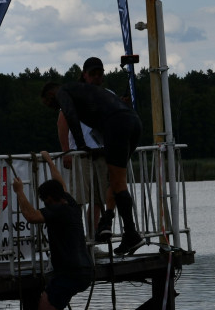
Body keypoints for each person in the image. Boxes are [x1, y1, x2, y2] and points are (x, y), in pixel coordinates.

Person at [12, 151, 95, 310]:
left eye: (44, 201)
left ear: (49, 200)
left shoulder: (57, 211)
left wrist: (19, 192)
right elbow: (60, 183)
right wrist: (49, 161)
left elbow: (30, 216)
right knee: (54, 289)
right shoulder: (70, 203)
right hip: (85, 271)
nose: (44, 204)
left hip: (70, 273)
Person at [41, 80, 144, 256]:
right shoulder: (85, 90)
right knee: (116, 180)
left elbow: (71, 115)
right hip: (133, 122)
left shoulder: (62, 91)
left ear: (50, 95)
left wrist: (80, 145)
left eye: (49, 104)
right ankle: (113, 223)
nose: (51, 107)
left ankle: (130, 233)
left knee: (117, 182)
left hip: (117, 124)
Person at [56, 57, 111, 230]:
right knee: (78, 199)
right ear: (84, 75)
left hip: (102, 154)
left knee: (99, 200)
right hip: (80, 155)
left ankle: (92, 241)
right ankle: (78, 240)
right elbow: (62, 123)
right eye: (92, 73)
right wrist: (66, 151)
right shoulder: (74, 95)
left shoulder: (109, 94)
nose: (96, 77)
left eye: (99, 73)